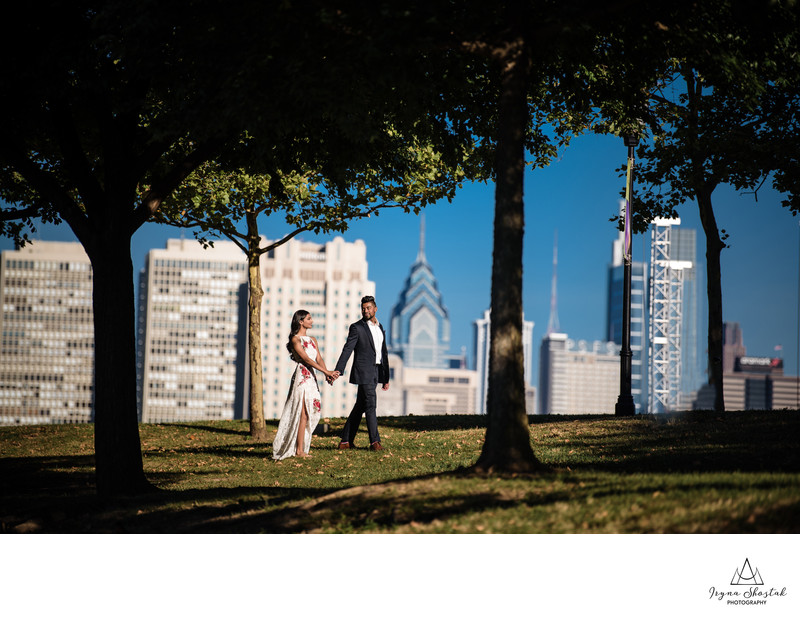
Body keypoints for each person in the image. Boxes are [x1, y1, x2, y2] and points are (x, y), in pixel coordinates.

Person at [272, 310, 338, 460]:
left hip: (312, 378)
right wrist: (326, 372)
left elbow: (318, 358)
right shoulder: (295, 340)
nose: (312, 321)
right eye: (309, 318)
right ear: (301, 321)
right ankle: (299, 450)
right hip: (302, 377)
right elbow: (307, 360)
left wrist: (327, 373)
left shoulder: (313, 339)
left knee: (309, 413)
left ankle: (300, 448)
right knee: (303, 413)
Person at [332, 295, 390, 451]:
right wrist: (339, 369)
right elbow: (348, 349)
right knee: (370, 404)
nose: (365, 310)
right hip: (363, 371)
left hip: (376, 371)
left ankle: (345, 441)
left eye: (368, 308)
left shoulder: (380, 327)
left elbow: (383, 353)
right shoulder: (356, 327)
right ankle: (375, 442)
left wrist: (386, 377)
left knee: (360, 406)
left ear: (375, 309)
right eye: (363, 308)